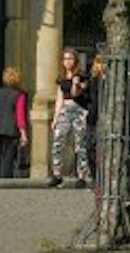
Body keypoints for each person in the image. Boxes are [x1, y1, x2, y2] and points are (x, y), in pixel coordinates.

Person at [49, 49, 91, 188]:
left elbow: (76, 94)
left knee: (80, 145)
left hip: (78, 110)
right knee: (57, 143)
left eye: (70, 59)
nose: (68, 62)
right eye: (65, 59)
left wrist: (75, 83)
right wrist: (55, 117)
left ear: (75, 60)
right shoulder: (61, 78)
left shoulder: (82, 76)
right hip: (65, 110)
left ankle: (82, 175)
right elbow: (60, 98)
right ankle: (57, 174)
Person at [0, 66, 30, 179]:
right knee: (9, 154)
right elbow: (20, 114)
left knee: (2, 153)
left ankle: (1, 173)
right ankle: (5, 177)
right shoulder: (19, 94)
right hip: (11, 128)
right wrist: (23, 132)